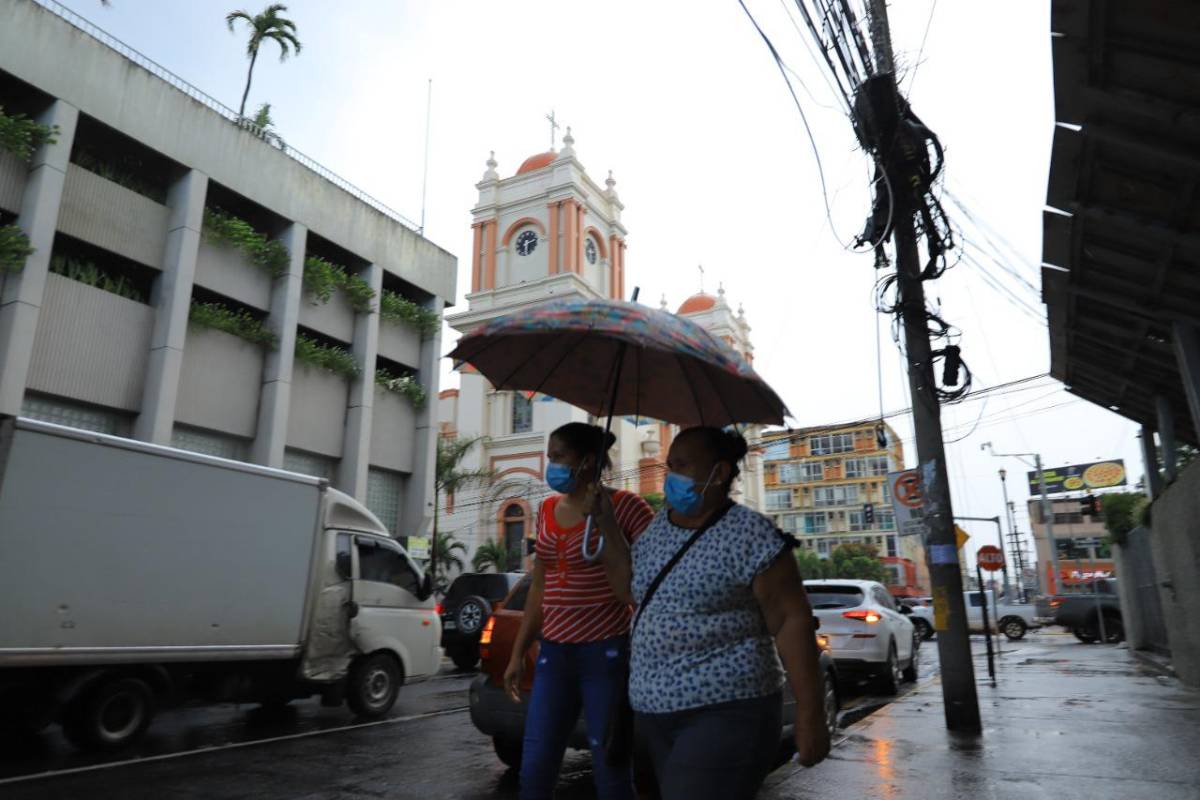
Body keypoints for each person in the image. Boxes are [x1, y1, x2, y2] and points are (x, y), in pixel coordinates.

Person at [595, 426, 831, 800]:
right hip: (654, 711)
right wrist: (606, 523)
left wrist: (810, 714)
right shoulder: (658, 528)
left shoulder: (752, 534)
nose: (671, 475)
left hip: (728, 710)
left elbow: (791, 621)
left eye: (683, 465)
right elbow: (629, 591)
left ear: (719, 473)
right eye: (669, 465)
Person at [504, 422, 655, 800]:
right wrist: (519, 650)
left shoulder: (626, 506)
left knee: (611, 769)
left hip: (606, 654)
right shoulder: (547, 510)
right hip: (554, 654)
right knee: (535, 766)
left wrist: (605, 522)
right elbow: (540, 584)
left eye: (558, 457)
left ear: (587, 460)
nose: (549, 466)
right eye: (548, 456)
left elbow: (652, 575)